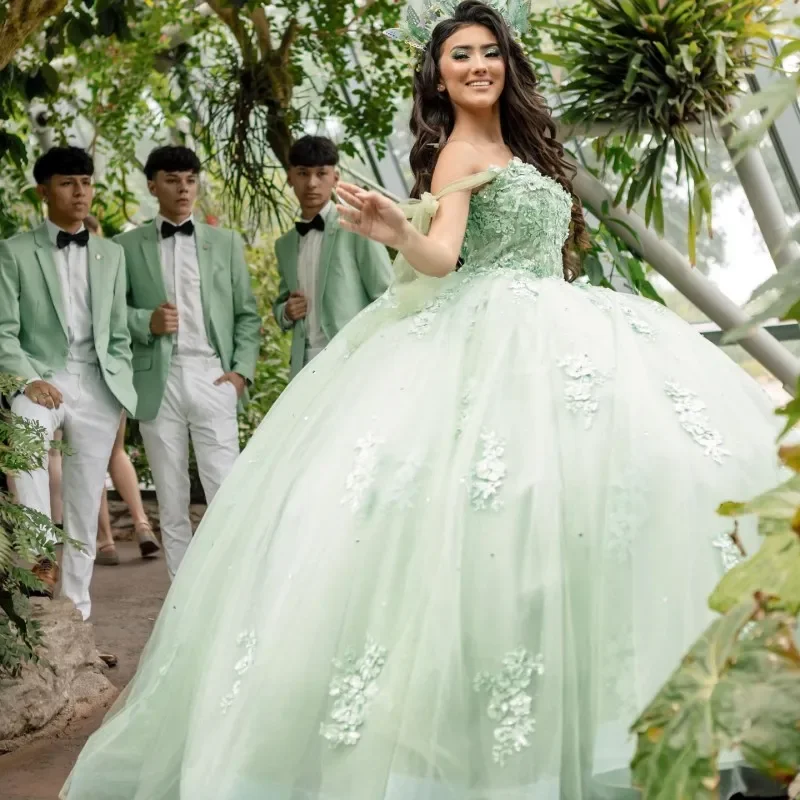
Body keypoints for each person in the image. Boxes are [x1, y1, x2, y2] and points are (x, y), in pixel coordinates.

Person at [60, 3, 786, 798]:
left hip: (560, 325)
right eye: (459, 56)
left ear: (507, 63)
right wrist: (396, 232)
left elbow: (551, 250)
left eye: (488, 53)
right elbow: (442, 255)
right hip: (487, 333)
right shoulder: (457, 152)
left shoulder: (527, 146)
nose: (477, 65)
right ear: (439, 74)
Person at [0, 146, 135, 620]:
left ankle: (76, 615)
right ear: (43, 191)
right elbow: (3, 329)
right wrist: (31, 378)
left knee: (83, 500)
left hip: (97, 383)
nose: (80, 192)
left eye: (86, 182)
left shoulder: (112, 253)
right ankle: (38, 558)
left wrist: (119, 387)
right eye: (66, 183)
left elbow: (117, 330)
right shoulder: (14, 251)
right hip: (42, 374)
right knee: (26, 431)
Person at [114, 146, 261, 580]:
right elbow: (110, 312)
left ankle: (230, 585)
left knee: (224, 490)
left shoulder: (226, 242)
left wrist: (239, 374)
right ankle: (180, 596)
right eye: (173, 180)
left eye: (190, 180)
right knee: (171, 496)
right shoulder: (125, 246)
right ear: (152, 185)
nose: (183, 189)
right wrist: (146, 321)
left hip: (212, 374)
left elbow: (246, 314)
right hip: (158, 381)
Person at [274, 135, 393, 378]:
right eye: (303, 173)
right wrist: (286, 311)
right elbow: (281, 302)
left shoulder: (358, 226)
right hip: (304, 366)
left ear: (335, 178)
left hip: (353, 359)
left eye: (321, 173)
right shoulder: (284, 245)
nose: (312, 183)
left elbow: (385, 294)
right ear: (290, 177)